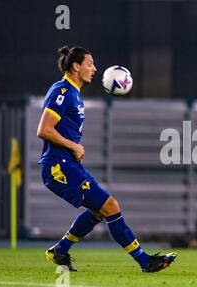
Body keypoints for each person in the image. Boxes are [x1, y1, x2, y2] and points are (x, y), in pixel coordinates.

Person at [37, 46, 176, 272]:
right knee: (110, 205)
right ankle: (145, 261)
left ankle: (60, 251)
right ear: (76, 66)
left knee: (100, 210)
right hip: (58, 167)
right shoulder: (62, 91)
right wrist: (74, 145)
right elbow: (44, 129)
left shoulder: (73, 93)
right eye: (90, 63)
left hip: (68, 164)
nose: (95, 68)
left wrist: (73, 149)